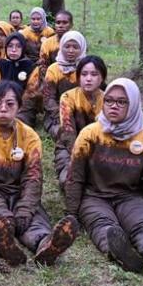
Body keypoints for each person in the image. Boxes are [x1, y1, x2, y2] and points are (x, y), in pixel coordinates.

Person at [65, 78, 143, 277]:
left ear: (134, 104)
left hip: (130, 197)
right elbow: (75, 177)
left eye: (122, 102)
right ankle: (121, 255)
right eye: (109, 100)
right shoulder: (90, 134)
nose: (114, 106)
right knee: (104, 225)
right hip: (94, 196)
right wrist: (71, 214)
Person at [0, 81, 77, 266]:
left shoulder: (30, 136)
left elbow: (33, 177)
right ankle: (4, 245)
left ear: (19, 106)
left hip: (17, 190)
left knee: (33, 217)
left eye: (10, 103)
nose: (3, 108)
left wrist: (24, 209)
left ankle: (45, 244)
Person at [54, 56, 106, 189]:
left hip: (100, 149)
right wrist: (81, 156)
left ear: (102, 78)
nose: (88, 78)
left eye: (94, 74)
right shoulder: (68, 97)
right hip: (69, 148)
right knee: (70, 181)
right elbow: (68, 132)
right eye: (84, 74)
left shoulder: (108, 100)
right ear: (78, 77)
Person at [43, 30, 87, 140]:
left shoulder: (87, 68)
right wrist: (61, 116)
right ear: (61, 47)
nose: (71, 51)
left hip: (83, 112)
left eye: (75, 47)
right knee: (64, 133)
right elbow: (48, 98)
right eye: (67, 47)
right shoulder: (53, 69)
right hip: (57, 114)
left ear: (82, 48)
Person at [0, 33, 39, 127]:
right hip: (1, 104)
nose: (13, 50)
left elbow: (31, 92)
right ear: (5, 47)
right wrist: (5, 105)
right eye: (10, 46)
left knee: (17, 123)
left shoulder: (31, 67)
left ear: (23, 48)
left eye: (18, 46)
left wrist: (16, 106)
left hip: (24, 107)